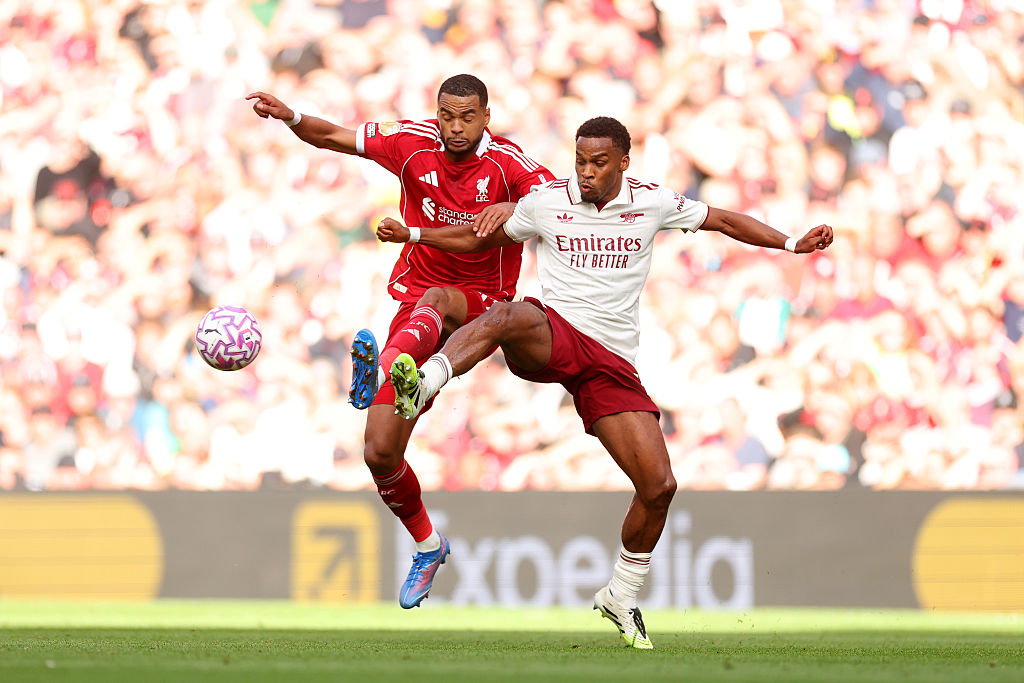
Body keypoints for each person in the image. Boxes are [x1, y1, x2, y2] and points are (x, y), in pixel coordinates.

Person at [376, 116, 833, 648]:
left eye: (598, 163)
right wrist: (413, 234)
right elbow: (476, 237)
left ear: (623, 162)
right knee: (508, 314)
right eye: (580, 161)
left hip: (609, 362)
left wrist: (792, 243)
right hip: (554, 333)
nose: (586, 172)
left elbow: (724, 220)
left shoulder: (652, 202)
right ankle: (425, 382)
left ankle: (621, 593)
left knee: (659, 486)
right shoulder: (547, 201)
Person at [246, 75, 552, 609]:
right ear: (437, 113)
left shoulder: (508, 164)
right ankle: (429, 546)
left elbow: (556, 198)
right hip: (417, 316)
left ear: (486, 116)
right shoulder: (412, 143)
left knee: (438, 297)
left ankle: (383, 369)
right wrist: (290, 115)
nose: (456, 127)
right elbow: (334, 137)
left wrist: (517, 208)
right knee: (379, 451)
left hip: (482, 308)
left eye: (467, 117)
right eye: (447, 116)